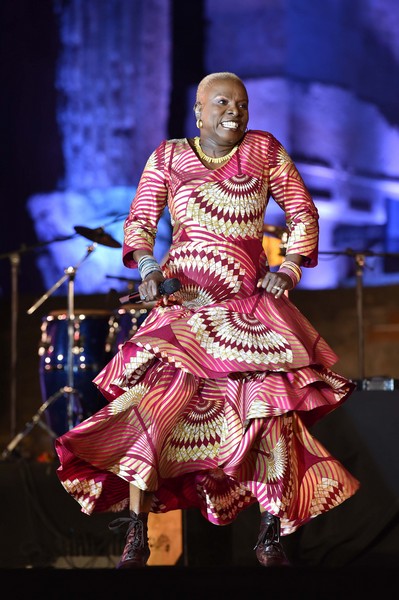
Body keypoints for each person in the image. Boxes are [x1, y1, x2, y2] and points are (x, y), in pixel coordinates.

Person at [55, 71, 360, 568]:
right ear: (198, 112)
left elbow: (303, 212)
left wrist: (287, 268)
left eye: (241, 103)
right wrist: (150, 269)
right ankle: (136, 533)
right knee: (149, 412)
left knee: (269, 418)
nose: (234, 111)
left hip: (249, 315)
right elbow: (139, 221)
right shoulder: (168, 156)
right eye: (222, 103)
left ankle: (269, 534)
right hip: (184, 313)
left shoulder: (263, 150)